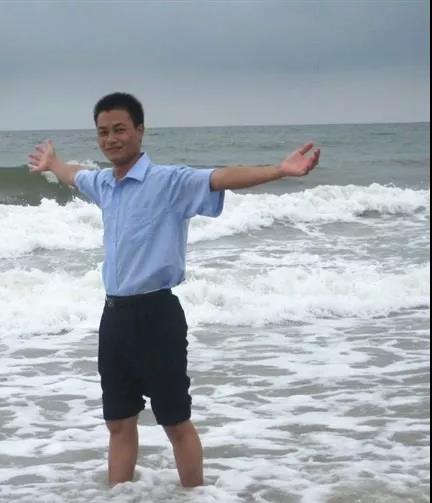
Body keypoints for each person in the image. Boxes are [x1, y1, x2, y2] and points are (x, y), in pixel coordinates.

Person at [27, 92, 320, 488]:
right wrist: (53, 163)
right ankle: (119, 496)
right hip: (114, 317)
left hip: (157, 316)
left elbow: (220, 177)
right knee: (118, 422)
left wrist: (279, 171)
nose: (111, 139)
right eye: (103, 132)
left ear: (139, 131)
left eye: (119, 130)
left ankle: (195, 495)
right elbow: (74, 175)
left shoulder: (169, 182)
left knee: (175, 421)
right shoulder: (104, 184)